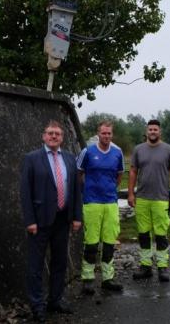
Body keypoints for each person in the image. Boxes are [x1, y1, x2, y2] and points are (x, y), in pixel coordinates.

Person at [20, 120, 83, 322]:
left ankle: (55, 300)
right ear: (43, 136)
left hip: (63, 220)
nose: (54, 136)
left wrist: (76, 217)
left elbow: (75, 190)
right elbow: (25, 192)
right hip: (39, 221)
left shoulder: (70, 159)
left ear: (62, 138)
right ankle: (37, 306)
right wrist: (30, 220)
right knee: (35, 266)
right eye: (50, 133)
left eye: (57, 133)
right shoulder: (31, 158)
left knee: (59, 263)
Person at [128, 119, 170, 282]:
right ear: (146, 131)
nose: (152, 132)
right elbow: (133, 172)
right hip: (142, 198)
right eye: (150, 129)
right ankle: (145, 266)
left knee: (160, 234)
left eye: (155, 129)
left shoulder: (169, 150)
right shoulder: (138, 149)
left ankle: (162, 268)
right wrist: (130, 194)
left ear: (160, 132)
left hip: (161, 198)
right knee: (143, 234)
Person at [77, 120, 124, 294]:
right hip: (92, 202)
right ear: (98, 134)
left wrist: (109, 189)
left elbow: (119, 176)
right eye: (103, 133)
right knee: (91, 242)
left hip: (110, 202)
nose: (106, 136)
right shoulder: (87, 152)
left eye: (109, 133)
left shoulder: (117, 153)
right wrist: (87, 189)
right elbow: (79, 173)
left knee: (110, 242)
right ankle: (88, 279)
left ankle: (107, 279)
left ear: (112, 134)